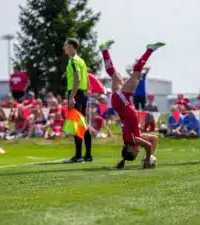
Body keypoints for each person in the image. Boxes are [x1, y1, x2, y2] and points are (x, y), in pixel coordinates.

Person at [99, 40, 165, 169]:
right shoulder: (133, 139)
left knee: (136, 74)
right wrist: (150, 156)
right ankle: (104, 51)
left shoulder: (132, 140)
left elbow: (148, 146)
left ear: (130, 150)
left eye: (136, 153)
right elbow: (153, 141)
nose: (138, 151)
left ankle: (149, 49)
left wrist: (147, 158)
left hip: (123, 102)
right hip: (119, 104)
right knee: (115, 76)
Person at [63, 38, 92, 163]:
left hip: (76, 93)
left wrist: (72, 96)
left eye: (65, 45)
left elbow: (78, 78)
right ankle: (88, 155)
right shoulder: (81, 60)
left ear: (70, 46)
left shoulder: (74, 60)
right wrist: (86, 92)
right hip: (82, 93)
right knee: (83, 124)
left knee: (77, 125)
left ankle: (79, 155)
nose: (64, 47)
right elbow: (87, 78)